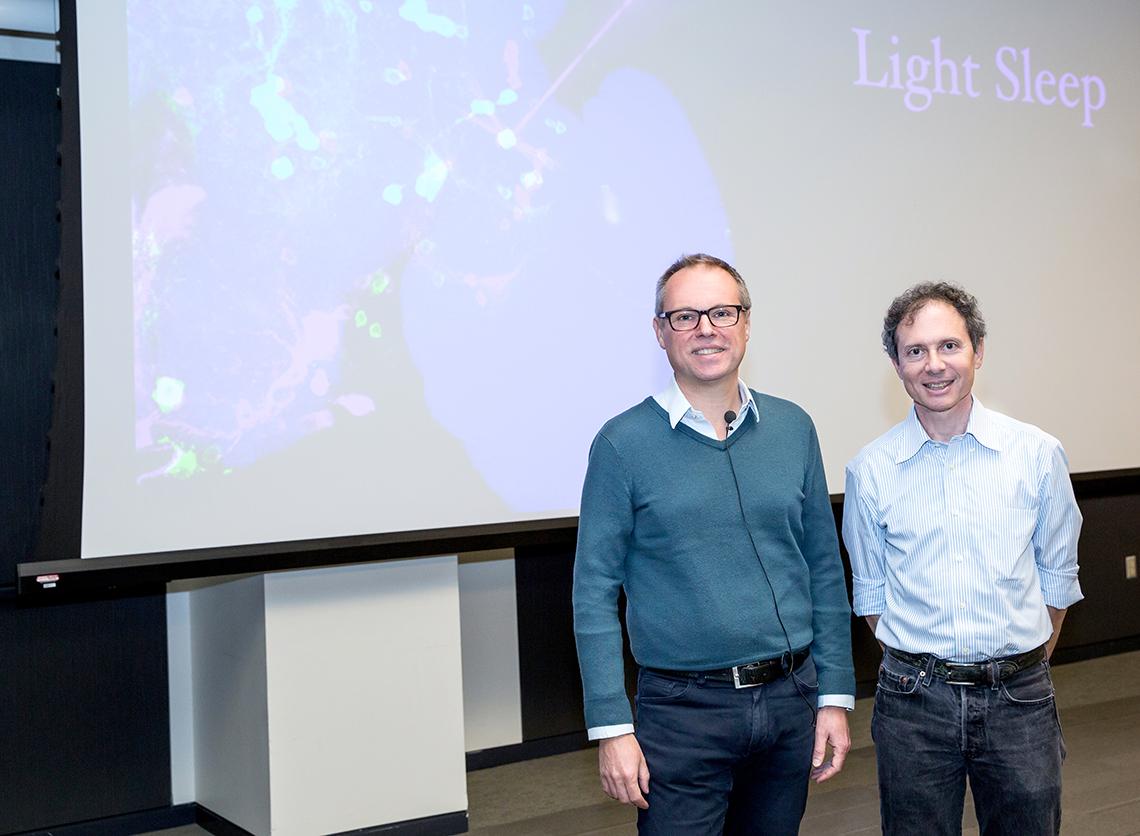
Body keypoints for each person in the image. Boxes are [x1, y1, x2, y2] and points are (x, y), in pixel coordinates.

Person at [572, 253, 856, 835]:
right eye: (685, 316)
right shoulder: (621, 445)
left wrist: (835, 694)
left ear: (746, 323)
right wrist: (611, 728)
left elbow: (824, 569)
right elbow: (593, 595)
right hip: (681, 713)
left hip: (790, 701)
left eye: (722, 312)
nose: (707, 328)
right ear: (660, 332)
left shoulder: (793, 428)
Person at [843, 282, 1083, 835]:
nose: (934, 365)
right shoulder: (871, 470)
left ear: (978, 350)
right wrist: (929, 671)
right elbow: (874, 598)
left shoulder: (1037, 455)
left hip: (1019, 697)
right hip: (912, 703)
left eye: (949, 346)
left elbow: (1057, 580)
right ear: (896, 365)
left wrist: (1018, 663)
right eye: (915, 351)